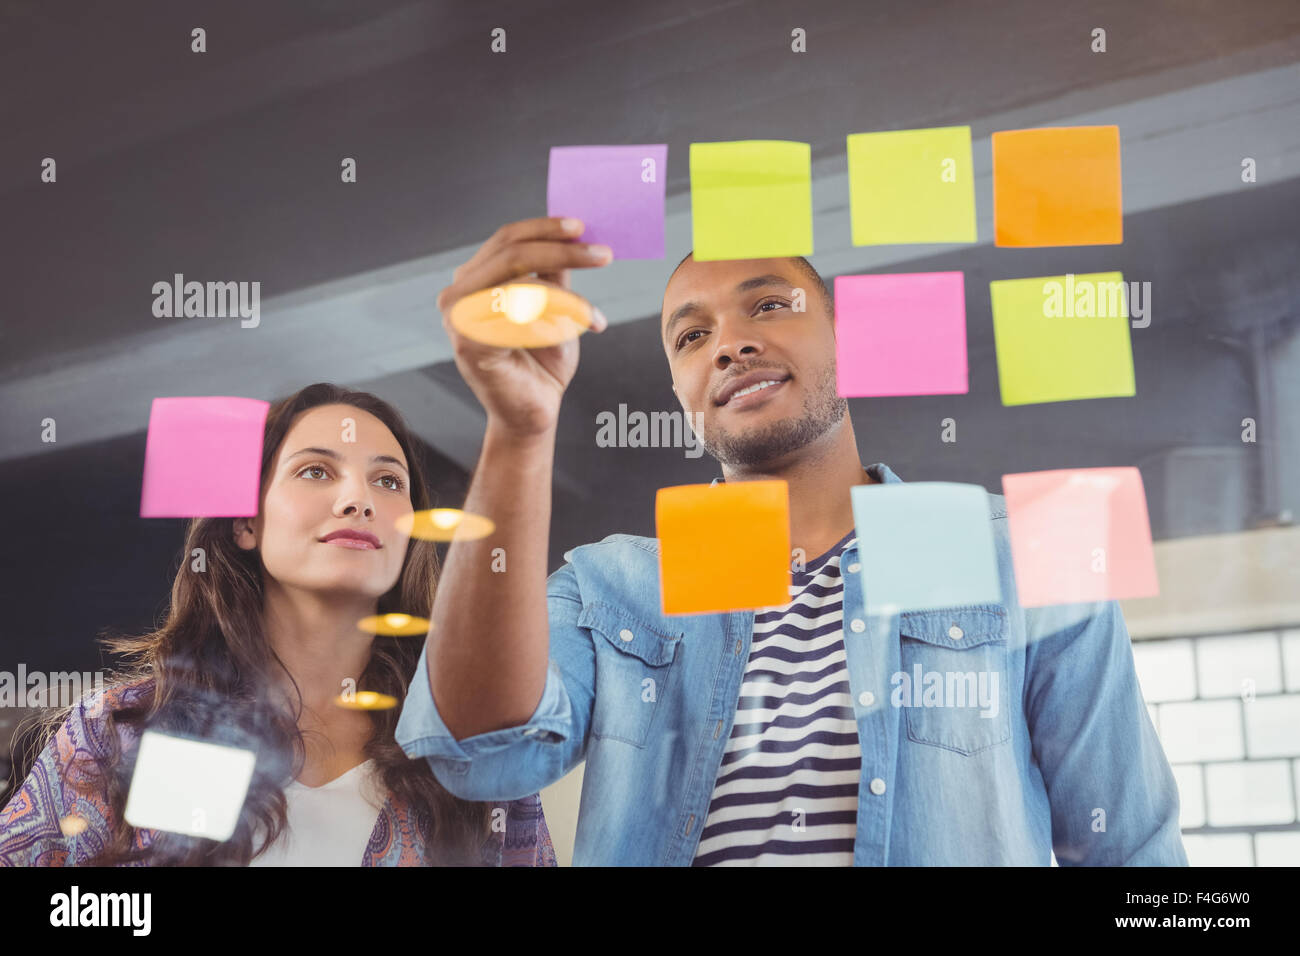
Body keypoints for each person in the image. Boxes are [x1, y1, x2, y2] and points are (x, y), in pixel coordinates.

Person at [394, 216, 1188, 866]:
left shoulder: (1014, 549)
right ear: (680, 394)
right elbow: (482, 754)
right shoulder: (614, 586)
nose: (729, 344)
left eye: (768, 306)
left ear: (848, 339)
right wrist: (519, 428)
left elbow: (1132, 850)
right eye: (691, 337)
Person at [0, 383, 555, 866]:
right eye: (316, 470)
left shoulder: (475, 751)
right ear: (246, 521)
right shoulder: (121, 731)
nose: (358, 499)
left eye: (389, 482)